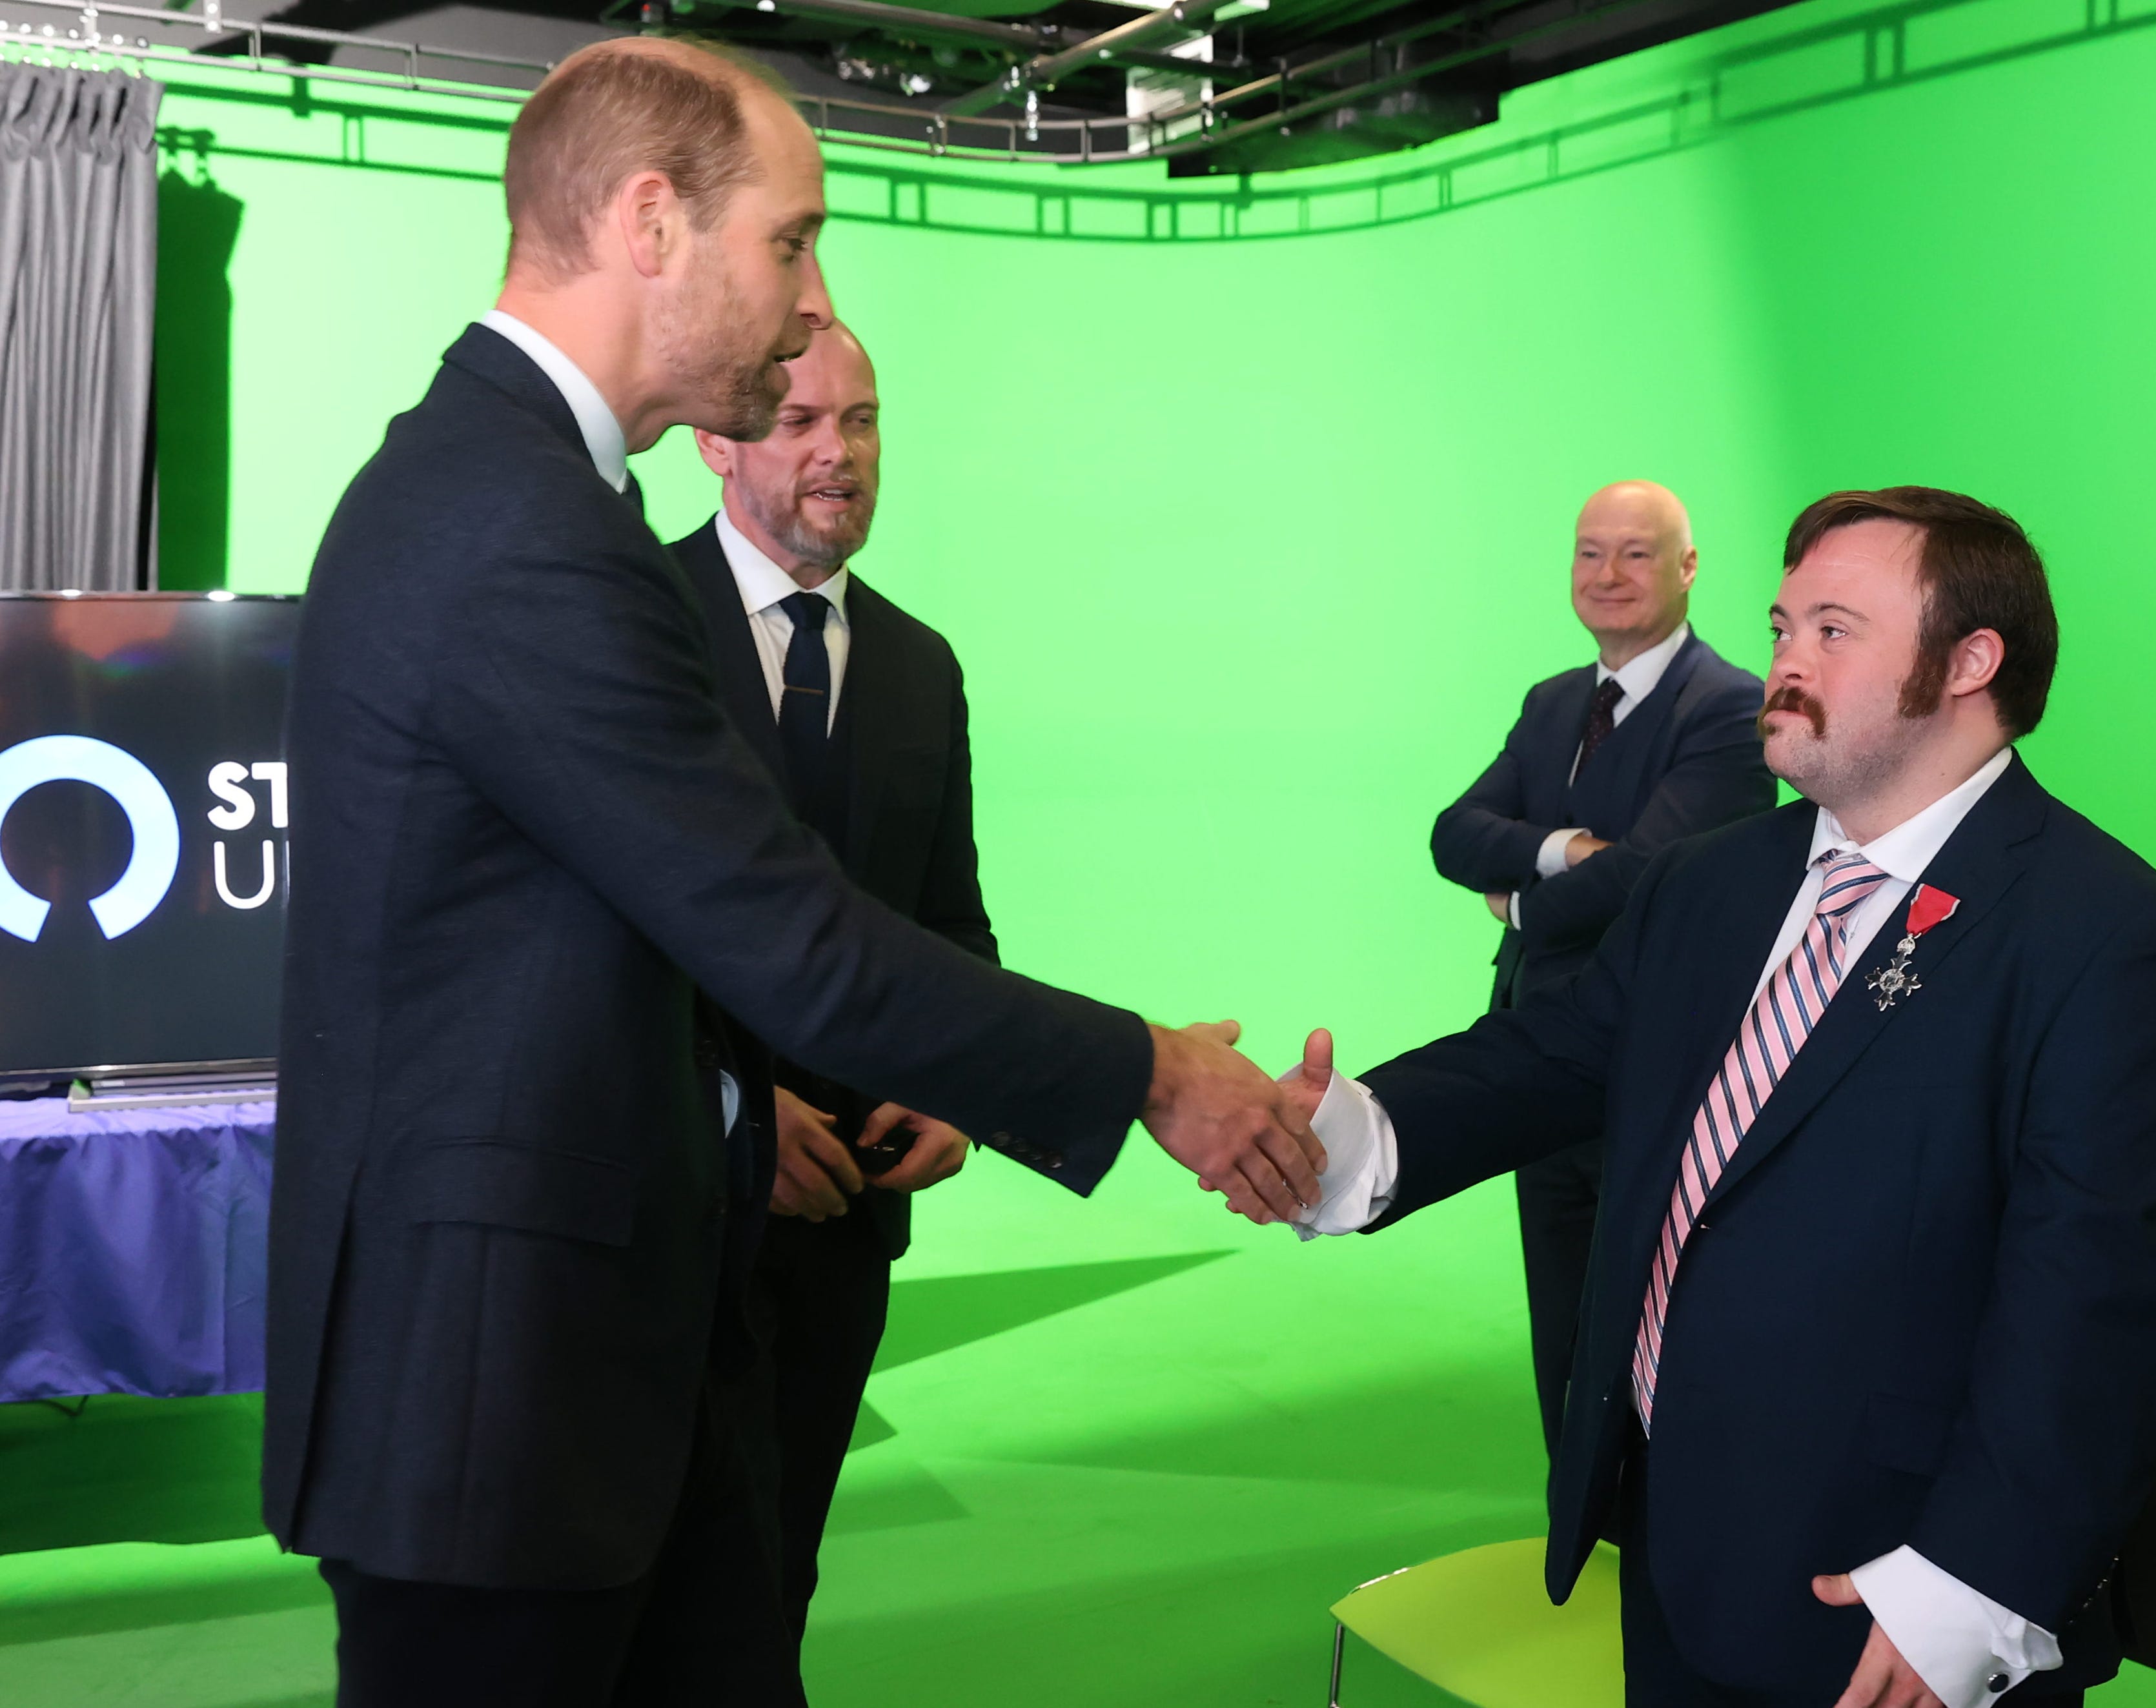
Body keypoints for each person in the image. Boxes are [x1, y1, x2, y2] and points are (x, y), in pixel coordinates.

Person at [267, 38, 1320, 1708]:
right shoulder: (516, 527)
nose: (806, 292)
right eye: (791, 239)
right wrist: (1153, 1071)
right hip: (499, 1398)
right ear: (650, 222)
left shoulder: (523, 492)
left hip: (606, 1354)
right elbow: (790, 936)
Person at [1289, 488, 2156, 1708]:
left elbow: (2095, 1301)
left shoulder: (2111, 936)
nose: (1786, 661)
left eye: (1833, 631)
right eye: (1783, 626)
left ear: (1968, 662)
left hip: (1890, 1603)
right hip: (1672, 1546)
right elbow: (1543, 1058)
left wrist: (1965, 1588)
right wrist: (1327, 1136)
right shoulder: (1710, 882)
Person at [673, 320, 978, 1672]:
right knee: (648, 1589)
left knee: (774, 1577)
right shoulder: (632, 623)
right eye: (799, 423)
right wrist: (733, 1111)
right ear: (714, 441)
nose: (837, 453)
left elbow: (946, 925)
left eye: (859, 422)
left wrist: (953, 1084)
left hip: (850, 1219)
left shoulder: (922, 666)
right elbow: (579, 947)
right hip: (661, 1212)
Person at [1430, 478, 1771, 1458]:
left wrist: (1521, 897)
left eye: (1635, 552)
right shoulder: (1552, 703)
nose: (1608, 574)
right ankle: (1580, 1539)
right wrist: (1564, 850)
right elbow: (1453, 835)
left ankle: (1661, 1550)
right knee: (1564, 1330)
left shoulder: (1731, 708)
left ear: (1687, 567)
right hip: (1538, 1066)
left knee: (1653, 1324)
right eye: (1590, 551)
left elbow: (1648, 877)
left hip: (1652, 1070)